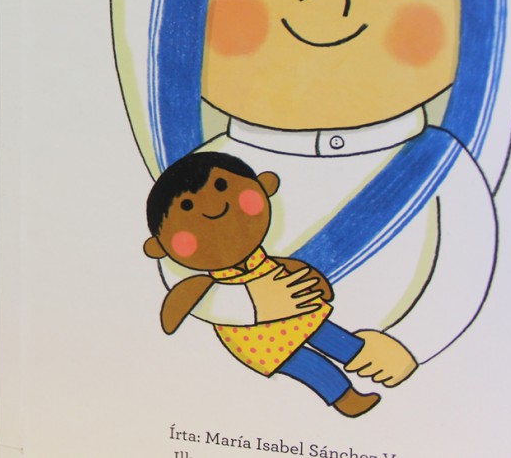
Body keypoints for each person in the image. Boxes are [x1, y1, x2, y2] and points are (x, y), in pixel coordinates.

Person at [112, 0, 509, 381]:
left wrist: (411, 344)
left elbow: (466, 267)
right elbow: (182, 265)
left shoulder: (440, 167)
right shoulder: (210, 168)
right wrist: (252, 305)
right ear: (179, 17)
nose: (331, 2)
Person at [144, 151, 385, 417]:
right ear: (159, 247)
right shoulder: (208, 286)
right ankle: (346, 398)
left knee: (325, 332)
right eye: (187, 207)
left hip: (300, 314)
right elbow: (180, 302)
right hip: (259, 339)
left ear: (265, 186)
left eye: (221, 186)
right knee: (308, 364)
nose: (213, 209)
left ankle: (362, 355)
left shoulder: (266, 263)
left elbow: (294, 269)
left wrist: (317, 283)